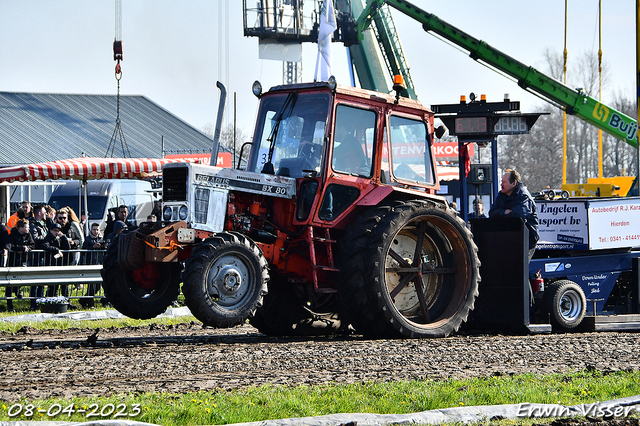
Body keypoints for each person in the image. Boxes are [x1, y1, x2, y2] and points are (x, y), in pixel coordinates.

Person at [489, 169, 540, 261]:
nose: (501, 185)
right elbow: (491, 213)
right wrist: (505, 212)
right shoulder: (501, 195)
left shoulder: (524, 196)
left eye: (504, 182)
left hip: (526, 241)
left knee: (519, 270)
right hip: (509, 239)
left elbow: (518, 217)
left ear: (513, 184)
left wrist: (501, 214)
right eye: (501, 182)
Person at [7, 219, 34, 311]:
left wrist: (27, 248)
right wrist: (21, 248)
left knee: (21, 279)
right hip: (13, 261)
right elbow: (10, 246)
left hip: (23, 261)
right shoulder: (12, 235)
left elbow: (32, 245)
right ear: (21, 228)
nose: (28, 229)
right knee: (9, 284)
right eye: (26, 227)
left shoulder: (28, 235)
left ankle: (17, 290)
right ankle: (9, 305)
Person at [81, 223, 106, 308]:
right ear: (91, 230)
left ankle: (83, 299)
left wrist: (104, 246)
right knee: (91, 285)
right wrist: (93, 247)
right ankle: (90, 303)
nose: (95, 231)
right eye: (94, 229)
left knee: (98, 285)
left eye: (97, 230)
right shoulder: (88, 239)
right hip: (91, 263)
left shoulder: (102, 239)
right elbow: (83, 250)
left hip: (100, 263)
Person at [28, 206, 48, 309]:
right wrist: (47, 237)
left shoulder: (43, 224)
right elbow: (35, 238)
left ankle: (41, 300)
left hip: (42, 255)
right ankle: (33, 303)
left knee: (42, 279)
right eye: (44, 212)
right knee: (35, 280)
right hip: (36, 255)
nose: (46, 214)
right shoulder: (32, 224)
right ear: (39, 213)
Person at [43, 223, 71, 298]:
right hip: (52, 263)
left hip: (60, 264)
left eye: (58, 231)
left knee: (64, 284)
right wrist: (56, 250)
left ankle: (66, 300)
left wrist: (63, 237)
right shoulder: (48, 238)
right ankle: (51, 299)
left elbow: (67, 247)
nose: (56, 233)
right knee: (53, 285)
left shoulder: (59, 238)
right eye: (55, 230)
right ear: (50, 230)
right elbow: (45, 246)